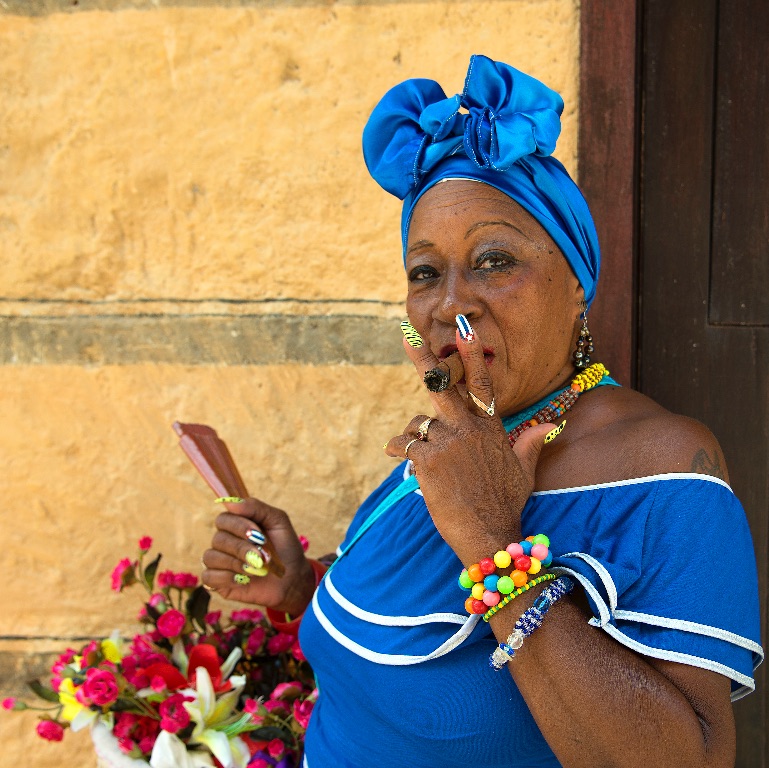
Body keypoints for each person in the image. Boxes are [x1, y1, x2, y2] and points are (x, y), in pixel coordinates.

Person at [200, 55, 762, 767]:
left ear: (576, 285)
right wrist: (299, 585)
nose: (450, 302)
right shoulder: (447, 444)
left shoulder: (663, 468)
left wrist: (495, 546)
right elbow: (409, 644)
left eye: (493, 260)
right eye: (425, 272)